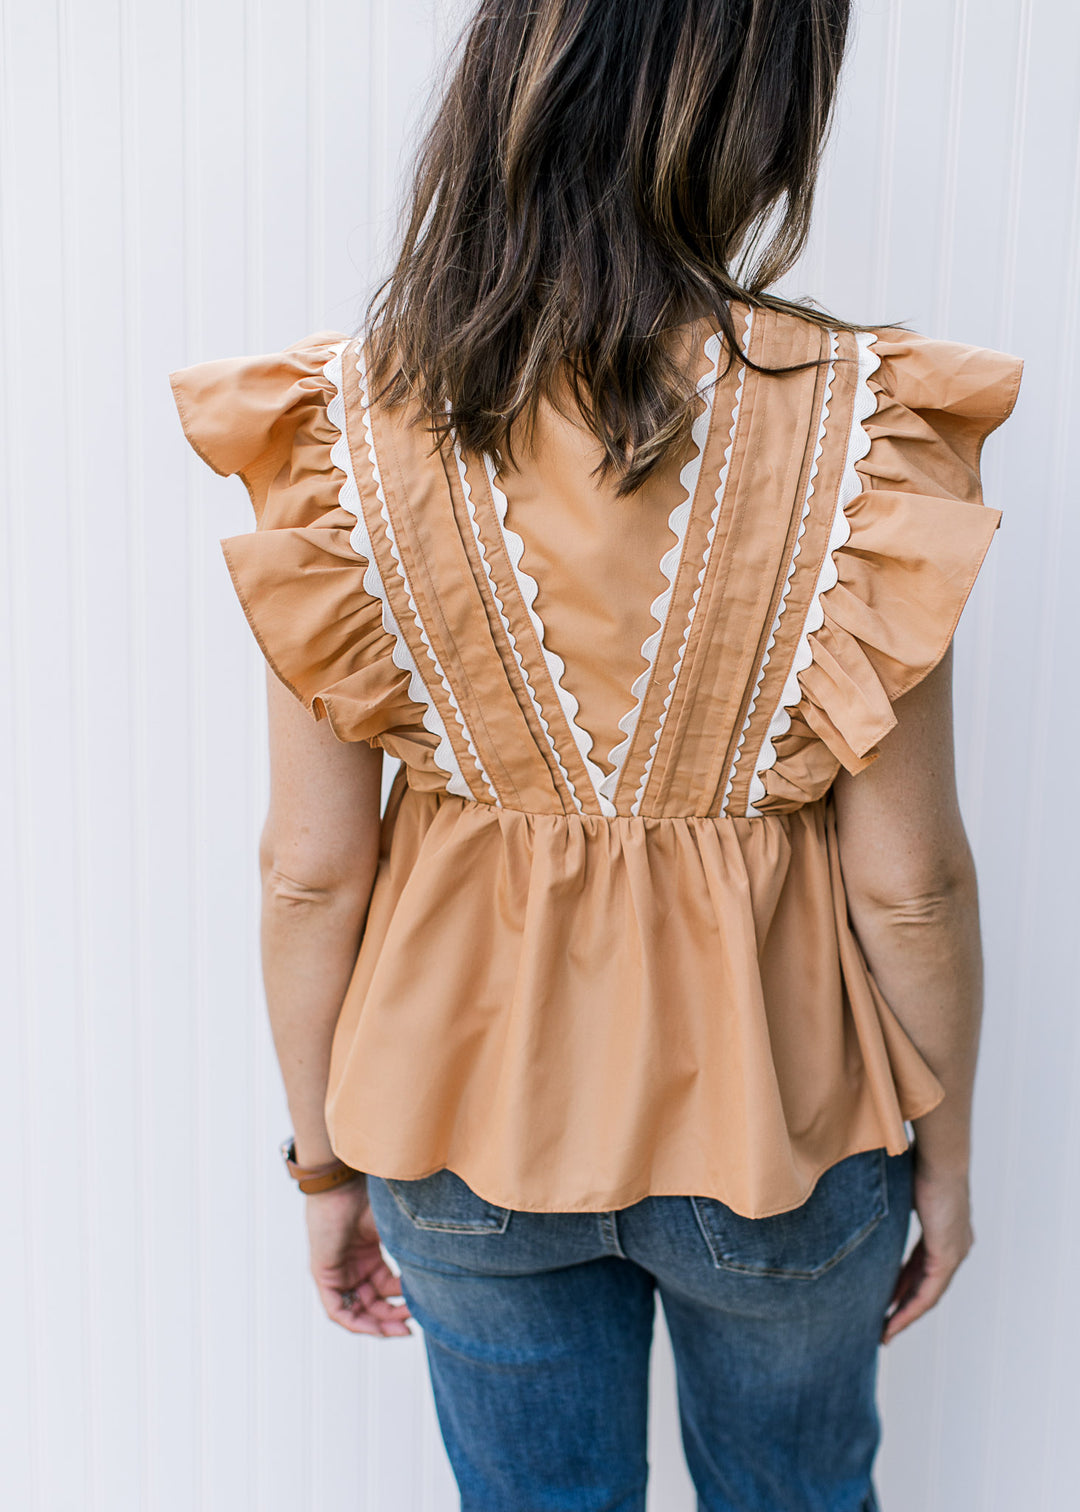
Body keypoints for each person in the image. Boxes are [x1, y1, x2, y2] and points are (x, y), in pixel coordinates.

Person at [170, 1, 1023, 1507]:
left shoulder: (345, 427)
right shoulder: (865, 430)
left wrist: (322, 1164)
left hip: (456, 1127)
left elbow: (310, 873)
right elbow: (912, 887)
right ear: (757, 110)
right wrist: (941, 1153)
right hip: (781, 1130)